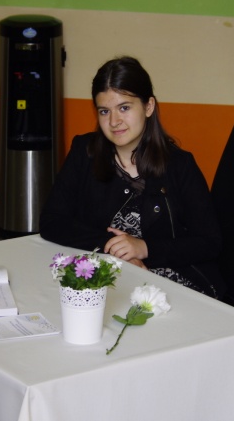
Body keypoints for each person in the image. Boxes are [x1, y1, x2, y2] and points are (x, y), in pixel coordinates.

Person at [39, 56, 224, 298]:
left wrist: (144, 248)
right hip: (106, 272)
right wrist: (116, 248)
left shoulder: (180, 164)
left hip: (171, 278)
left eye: (124, 108)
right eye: (104, 111)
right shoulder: (84, 151)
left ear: (148, 107)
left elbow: (210, 242)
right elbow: (52, 221)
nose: (114, 121)